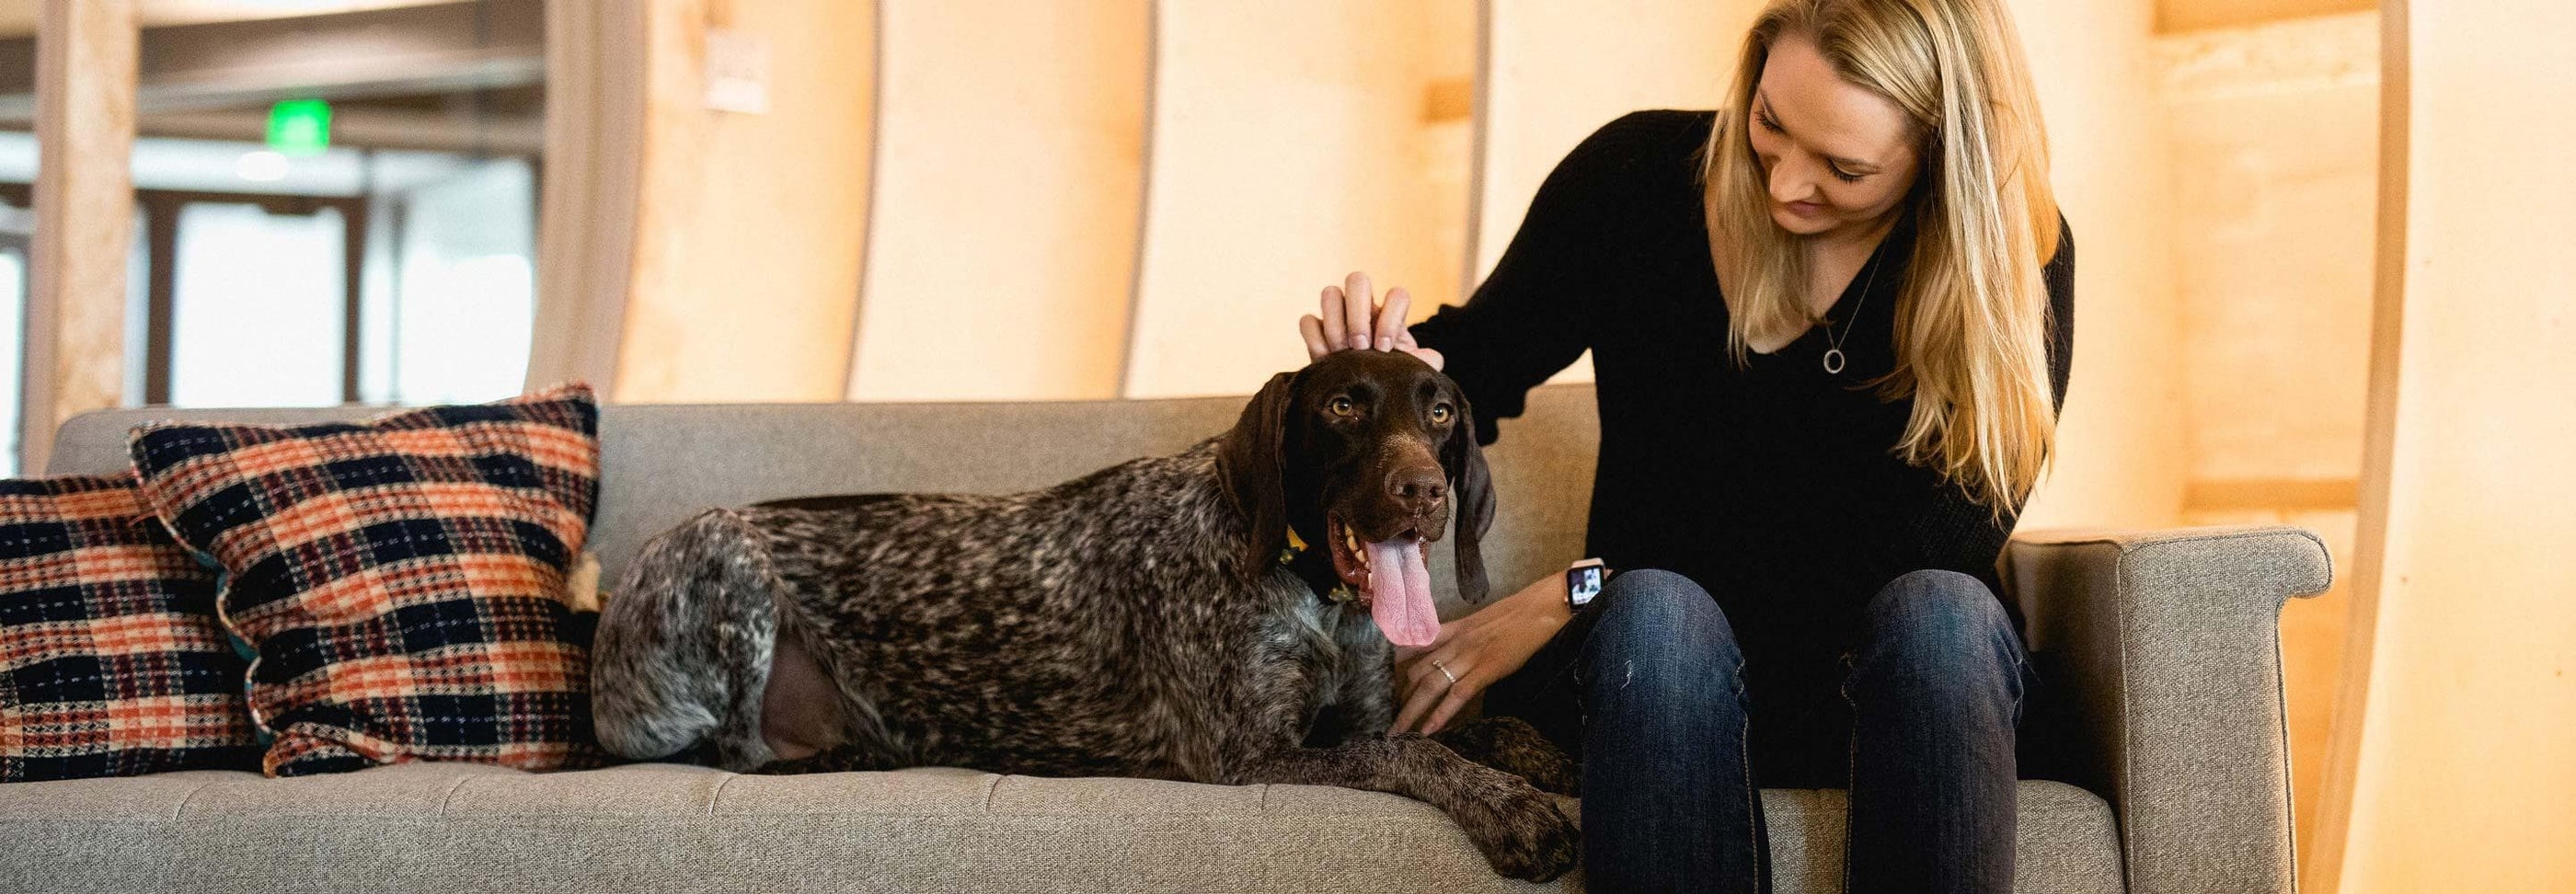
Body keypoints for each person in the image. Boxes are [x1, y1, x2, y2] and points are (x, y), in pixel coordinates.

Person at [1295, 1, 2075, 891]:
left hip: (1892, 691)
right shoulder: (1634, 178)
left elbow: (1920, 549)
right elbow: (1479, 365)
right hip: (1663, 681)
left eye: (1844, 168)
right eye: (1769, 126)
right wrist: (1391, 369)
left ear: (1942, 159)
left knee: (1940, 609)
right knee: (1660, 612)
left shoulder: (2012, 263)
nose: (1785, 184)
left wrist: (1576, 590)